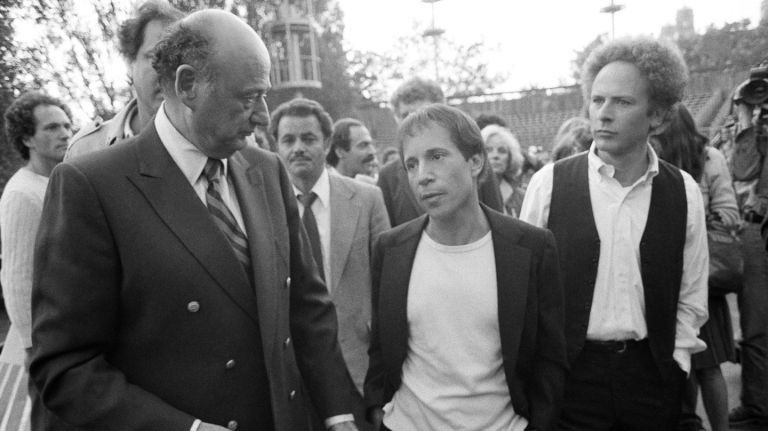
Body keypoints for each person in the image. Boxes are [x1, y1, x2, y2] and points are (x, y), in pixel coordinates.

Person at [30, 10, 357, 431]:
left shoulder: (267, 171)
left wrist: (339, 414)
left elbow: (306, 308)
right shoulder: (91, 187)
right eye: (248, 97)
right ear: (188, 85)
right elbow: (65, 366)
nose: (263, 116)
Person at [520, 37, 708, 431]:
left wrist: (676, 358)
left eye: (622, 102)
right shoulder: (549, 184)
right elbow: (524, 290)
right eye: (597, 100)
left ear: (656, 116)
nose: (603, 114)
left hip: (651, 378)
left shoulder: (683, 190)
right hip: (572, 381)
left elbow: (692, 292)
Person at [364, 104, 567, 431]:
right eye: (411, 164)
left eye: (436, 156)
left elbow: (550, 358)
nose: (423, 175)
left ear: (475, 161)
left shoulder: (531, 248)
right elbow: (381, 349)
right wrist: (377, 410)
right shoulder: (391, 249)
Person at [270, 98, 390, 430]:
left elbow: (389, 288)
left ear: (327, 143)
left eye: (308, 139)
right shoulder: (262, 209)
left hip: (358, 370)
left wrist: (384, 380)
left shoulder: (367, 199)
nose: (298, 148)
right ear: (275, 146)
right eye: (288, 140)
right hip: (293, 376)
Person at [653, 104, 739, 431]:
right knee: (678, 362)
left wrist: (692, 219)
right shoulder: (651, 162)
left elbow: (731, 214)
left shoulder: (709, 158)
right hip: (665, 277)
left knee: (709, 364)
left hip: (703, 277)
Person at [1, 91, 72, 431]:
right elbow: (17, 279)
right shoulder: (21, 192)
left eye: (67, 125)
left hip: (68, 333)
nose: (64, 133)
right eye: (52, 127)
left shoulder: (59, 182)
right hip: (45, 345)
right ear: (27, 137)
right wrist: (34, 350)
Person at [711, 70, 768, 427]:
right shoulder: (734, 132)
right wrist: (747, 123)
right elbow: (744, 172)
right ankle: (758, 404)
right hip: (753, 231)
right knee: (757, 322)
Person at [376, 77, 503, 226]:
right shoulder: (388, 177)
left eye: (425, 113)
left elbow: (498, 224)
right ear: (397, 120)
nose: (416, 122)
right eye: (406, 116)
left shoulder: (470, 161)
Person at [65, 0, 183, 159]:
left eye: (180, 59)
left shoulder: (216, 146)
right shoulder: (87, 151)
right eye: (156, 56)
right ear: (130, 63)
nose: (170, 71)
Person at [481, 124, 527, 217]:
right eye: (488, 150)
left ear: (511, 158)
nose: (495, 155)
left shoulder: (523, 197)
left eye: (502, 151)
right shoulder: (470, 194)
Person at [327, 118, 378, 184]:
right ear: (340, 152)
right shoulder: (323, 186)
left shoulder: (371, 186)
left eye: (371, 144)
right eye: (363, 145)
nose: (372, 151)